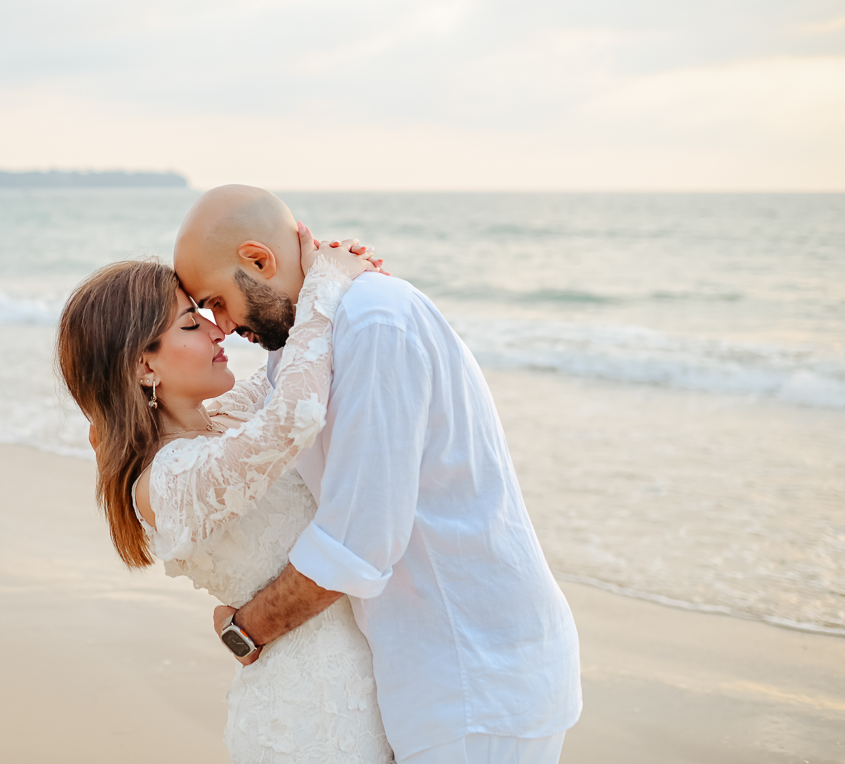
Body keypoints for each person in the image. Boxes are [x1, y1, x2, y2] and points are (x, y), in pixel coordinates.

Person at [173, 185, 582, 764]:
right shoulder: (299, 342)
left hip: (475, 674)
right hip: (429, 669)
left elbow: (359, 537)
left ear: (259, 260)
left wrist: (246, 630)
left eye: (216, 301)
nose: (220, 326)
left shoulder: (372, 323)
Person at [57, 226, 397, 762]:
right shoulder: (167, 479)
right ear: (146, 365)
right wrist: (324, 287)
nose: (218, 330)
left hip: (359, 693)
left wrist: (306, 269)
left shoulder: (222, 421)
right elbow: (296, 414)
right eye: (192, 322)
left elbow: (295, 367)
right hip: (313, 718)